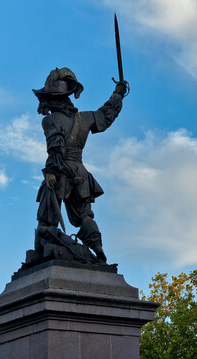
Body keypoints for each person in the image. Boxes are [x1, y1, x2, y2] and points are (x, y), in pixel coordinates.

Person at [33, 67, 127, 263]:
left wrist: (50, 171)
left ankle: (41, 254)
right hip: (81, 173)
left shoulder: (50, 120)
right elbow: (106, 115)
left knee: (45, 219)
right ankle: (98, 250)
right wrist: (117, 94)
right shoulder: (85, 118)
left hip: (60, 171)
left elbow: (56, 146)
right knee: (84, 217)